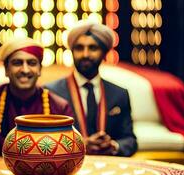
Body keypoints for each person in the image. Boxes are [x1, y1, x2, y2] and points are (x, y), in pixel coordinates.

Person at [46, 20, 138, 156]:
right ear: (71, 51)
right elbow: (45, 140)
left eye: (93, 48)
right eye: (79, 48)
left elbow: (130, 140)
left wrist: (113, 146)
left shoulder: (119, 94)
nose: (85, 54)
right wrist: (80, 145)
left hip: (109, 166)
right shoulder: (50, 92)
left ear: (104, 53)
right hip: (65, 166)